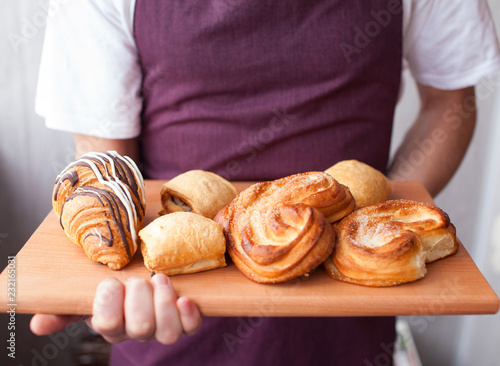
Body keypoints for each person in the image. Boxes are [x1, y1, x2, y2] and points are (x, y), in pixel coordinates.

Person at [31, 0, 500, 365]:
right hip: (168, 313)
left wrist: (378, 231)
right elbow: (107, 162)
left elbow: (449, 102)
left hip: (353, 328)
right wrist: (119, 280)